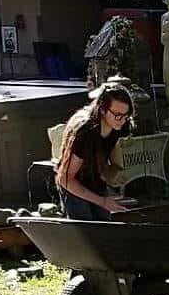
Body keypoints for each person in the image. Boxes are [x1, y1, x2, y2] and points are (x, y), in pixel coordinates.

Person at [56, 80, 135, 218]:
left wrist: (116, 176)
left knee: (103, 224)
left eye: (126, 115)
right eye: (118, 115)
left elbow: (112, 161)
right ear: (103, 110)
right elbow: (65, 178)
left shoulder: (119, 124)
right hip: (73, 183)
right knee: (86, 223)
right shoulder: (85, 132)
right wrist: (102, 202)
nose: (122, 120)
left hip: (95, 180)